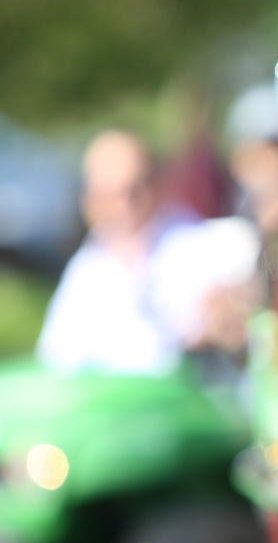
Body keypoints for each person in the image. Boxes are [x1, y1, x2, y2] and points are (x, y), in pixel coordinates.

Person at [36, 130, 258, 373]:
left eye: (131, 191)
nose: (121, 206)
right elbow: (54, 357)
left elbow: (244, 315)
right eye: (105, 194)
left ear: (155, 184)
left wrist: (228, 314)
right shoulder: (88, 267)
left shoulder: (204, 245)